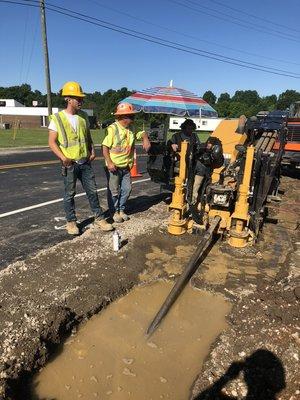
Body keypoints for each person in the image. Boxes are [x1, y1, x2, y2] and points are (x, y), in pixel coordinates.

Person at [48, 81, 113, 235]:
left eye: (81, 99)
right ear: (68, 99)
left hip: (85, 162)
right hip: (69, 164)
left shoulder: (83, 116)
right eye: (78, 98)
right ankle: (71, 222)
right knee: (69, 194)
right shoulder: (57, 118)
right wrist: (63, 157)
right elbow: (51, 142)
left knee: (92, 191)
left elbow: (87, 136)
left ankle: (99, 218)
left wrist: (92, 150)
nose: (81, 101)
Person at [102, 102, 151, 223]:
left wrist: (145, 139)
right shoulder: (112, 129)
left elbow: (142, 133)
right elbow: (104, 147)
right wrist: (109, 162)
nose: (133, 119)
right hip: (114, 166)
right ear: (123, 117)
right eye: (131, 116)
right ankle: (114, 212)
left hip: (126, 166)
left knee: (127, 189)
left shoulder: (132, 128)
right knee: (114, 191)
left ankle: (121, 209)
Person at [170, 119, 223, 205]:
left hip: (193, 158)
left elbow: (199, 146)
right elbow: (170, 145)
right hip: (180, 159)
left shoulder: (194, 136)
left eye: (191, 128)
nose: (190, 130)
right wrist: (172, 145)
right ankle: (192, 193)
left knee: (203, 166)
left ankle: (196, 191)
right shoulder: (176, 136)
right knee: (198, 167)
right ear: (184, 127)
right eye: (188, 128)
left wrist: (206, 146)